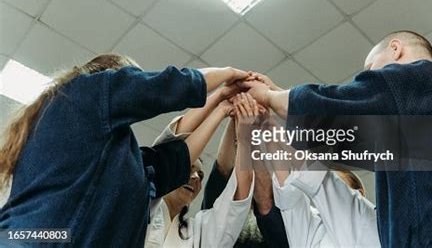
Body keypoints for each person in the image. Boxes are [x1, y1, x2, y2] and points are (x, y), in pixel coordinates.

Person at [239, 31, 432, 247]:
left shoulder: (419, 79)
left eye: (370, 69)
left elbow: (336, 111)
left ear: (395, 49)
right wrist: (276, 104)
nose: (370, 77)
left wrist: (269, 97)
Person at [0, 54, 249, 247]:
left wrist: (221, 103)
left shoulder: (121, 160)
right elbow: (165, 87)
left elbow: (171, 161)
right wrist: (229, 74)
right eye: (129, 78)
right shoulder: (78, 95)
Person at [145, 92, 254, 247]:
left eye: (201, 175)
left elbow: (234, 206)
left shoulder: (196, 232)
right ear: (172, 171)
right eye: (189, 169)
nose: (195, 177)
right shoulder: (139, 203)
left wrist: (244, 132)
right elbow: (161, 155)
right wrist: (221, 106)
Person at [201, 93, 289, 247]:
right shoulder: (220, 211)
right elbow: (222, 170)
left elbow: (265, 199)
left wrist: (250, 133)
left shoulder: (278, 214)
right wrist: (235, 115)